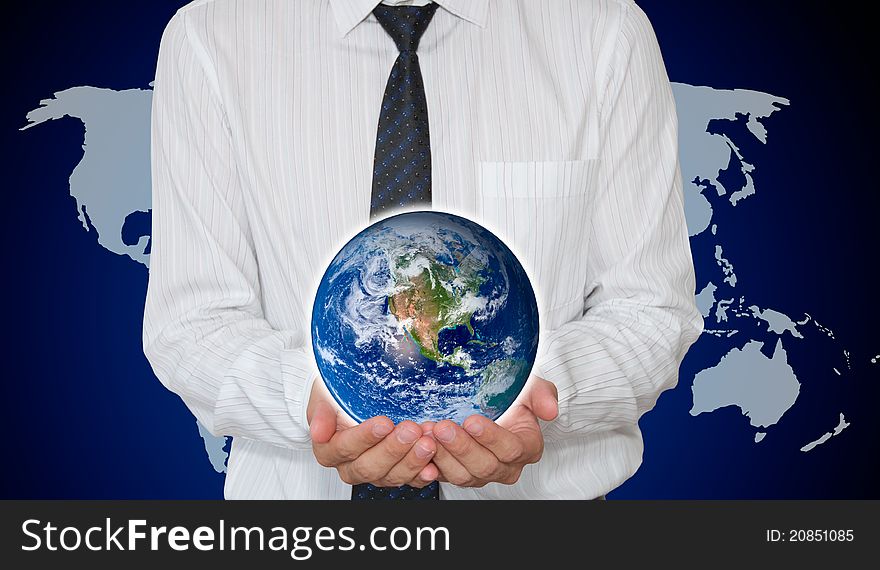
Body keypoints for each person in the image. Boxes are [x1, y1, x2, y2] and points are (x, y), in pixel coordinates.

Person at [144, 0, 703, 500]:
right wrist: (315, 401)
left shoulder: (604, 33)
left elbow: (650, 311)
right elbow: (193, 322)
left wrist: (515, 390)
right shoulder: (211, 35)